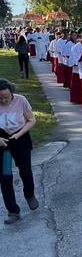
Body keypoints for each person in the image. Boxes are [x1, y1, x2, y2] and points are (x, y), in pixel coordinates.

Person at [0, 79, 39, 224]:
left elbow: (31, 120)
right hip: (4, 145)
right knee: (5, 176)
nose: (4, 100)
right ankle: (13, 211)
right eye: (1, 98)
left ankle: (29, 194)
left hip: (20, 139)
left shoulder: (21, 100)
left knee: (25, 171)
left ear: (12, 93)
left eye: (7, 97)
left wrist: (19, 134)